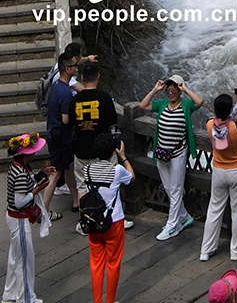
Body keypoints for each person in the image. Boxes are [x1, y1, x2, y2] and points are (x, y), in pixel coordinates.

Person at [138, 75, 202, 241]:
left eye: (174, 89)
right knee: (168, 187)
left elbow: (199, 102)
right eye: (169, 89)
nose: (171, 92)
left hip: (177, 153)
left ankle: (171, 225)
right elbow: (143, 105)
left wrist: (185, 88)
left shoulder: (186, 104)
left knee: (175, 189)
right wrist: (155, 89)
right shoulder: (163, 104)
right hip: (161, 152)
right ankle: (184, 216)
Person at [199, 92, 237, 264]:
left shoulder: (209, 125)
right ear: (229, 110)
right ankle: (236, 251)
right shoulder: (236, 128)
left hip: (219, 170)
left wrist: (234, 108)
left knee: (214, 209)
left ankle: (206, 250)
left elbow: (223, 120)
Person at [82, 132, 134, 303]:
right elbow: (131, 177)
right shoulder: (117, 170)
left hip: (93, 220)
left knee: (96, 264)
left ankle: (97, 300)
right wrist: (124, 157)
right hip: (114, 221)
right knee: (113, 263)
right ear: (113, 151)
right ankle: (110, 300)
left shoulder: (87, 169)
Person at [3, 133, 49, 303]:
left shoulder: (16, 167)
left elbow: (24, 183)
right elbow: (20, 201)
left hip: (13, 217)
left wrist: (39, 176)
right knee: (25, 261)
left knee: (15, 258)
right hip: (19, 218)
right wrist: (37, 189)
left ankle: (10, 294)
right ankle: (26, 298)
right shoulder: (21, 172)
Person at [40, 51, 79, 222]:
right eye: (74, 66)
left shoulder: (55, 87)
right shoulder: (65, 93)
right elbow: (66, 119)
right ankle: (44, 211)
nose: (76, 68)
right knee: (55, 173)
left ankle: (76, 200)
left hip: (54, 134)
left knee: (68, 167)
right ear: (67, 69)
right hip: (61, 138)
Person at [71, 62, 118, 197]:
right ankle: (105, 216)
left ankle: (84, 217)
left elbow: (69, 122)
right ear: (98, 76)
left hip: (81, 149)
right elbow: (112, 122)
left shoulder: (74, 100)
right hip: (102, 151)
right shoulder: (104, 98)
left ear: (82, 78)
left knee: (82, 186)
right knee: (106, 185)